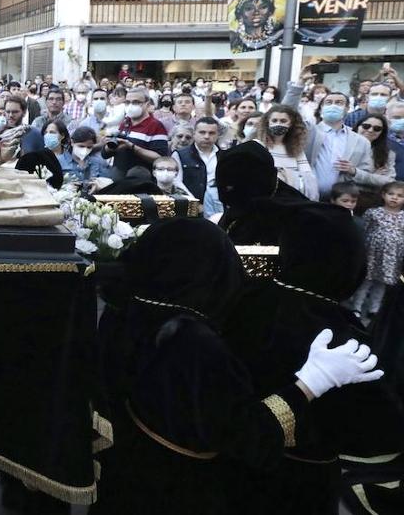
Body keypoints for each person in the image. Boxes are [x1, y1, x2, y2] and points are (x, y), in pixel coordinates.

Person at [93, 218, 380, 515]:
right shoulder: (194, 342)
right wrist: (311, 382)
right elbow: (245, 434)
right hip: (176, 488)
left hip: (127, 467)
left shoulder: (126, 308)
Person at [221, 203, 404, 515]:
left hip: (229, 467)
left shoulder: (243, 299)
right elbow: (380, 427)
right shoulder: (342, 332)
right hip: (299, 480)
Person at [349, 181, 404, 322]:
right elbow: (365, 230)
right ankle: (357, 306)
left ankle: (374, 309)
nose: (394, 198)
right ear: (383, 195)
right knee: (365, 281)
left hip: (391, 259)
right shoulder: (374, 213)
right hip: (372, 255)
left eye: (399, 195)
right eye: (391, 194)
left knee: (381, 285)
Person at [105, 88, 168, 179]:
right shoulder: (125, 123)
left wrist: (132, 147)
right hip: (119, 178)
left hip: (142, 180)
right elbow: (106, 154)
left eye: (136, 102)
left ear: (147, 104)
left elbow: (160, 159)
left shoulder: (156, 126)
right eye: (127, 102)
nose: (130, 105)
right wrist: (108, 145)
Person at [261, 105, 318, 200]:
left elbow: (308, 178)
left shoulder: (296, 149)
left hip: (290, 198)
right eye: (274, 121)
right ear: (268, 122)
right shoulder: (259, 145)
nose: (278, 124)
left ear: (291, 124)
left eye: (283, 121)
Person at [351, 114, 398, 210]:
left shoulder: (388, 153)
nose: (370, 130)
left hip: (371, 201)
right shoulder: (344, 145)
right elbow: (341, 176)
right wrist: (374, 176)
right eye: (366, 126)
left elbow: (389, 181)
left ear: (382, 132)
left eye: (377, 128)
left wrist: (356, 173)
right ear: (358, 126)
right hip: (345, 198)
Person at [64, 126, 111, 191]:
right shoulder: (60, 162)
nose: (85, 150)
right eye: (81, 146)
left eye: (89, 147)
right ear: (72, 142)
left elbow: (109, 182)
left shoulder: (98, 162)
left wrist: (97, 186)